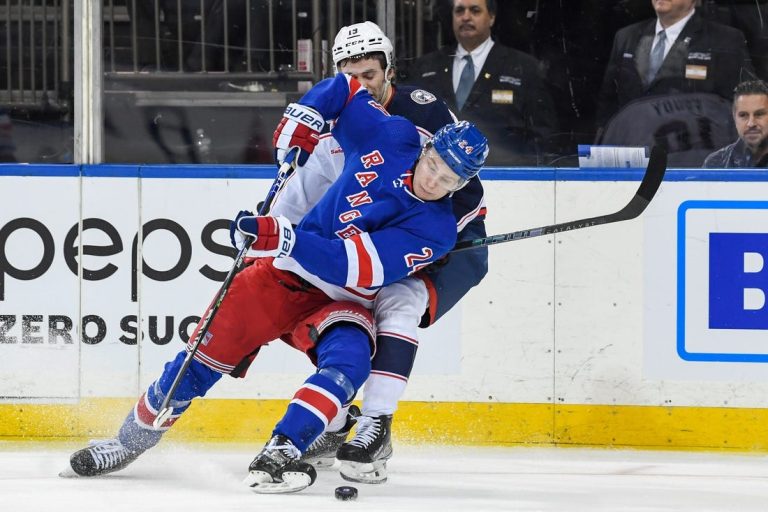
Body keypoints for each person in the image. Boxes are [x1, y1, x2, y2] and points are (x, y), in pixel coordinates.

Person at [65, 70, 489, 494]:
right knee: (198, 364)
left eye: (448, 179)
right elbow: (346, 88)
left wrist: (284, 237)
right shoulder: (393, 136)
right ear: (426, 148)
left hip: (343, 300)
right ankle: (128, 442)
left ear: (462, 184)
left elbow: (352, 267)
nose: (433, 181)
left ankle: (280, 450)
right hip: (280, 279)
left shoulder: (436, 230)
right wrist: (303, 118)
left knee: (350, 364)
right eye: (434, 165)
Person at [269, 21, 489, 484]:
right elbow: (312, 188)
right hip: (372, 238)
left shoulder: (422, 112)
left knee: (399, 302)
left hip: (446, 245)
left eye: (370, 74)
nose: (362, 85)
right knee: (335, 313)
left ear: (389, 70)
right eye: (351, 76)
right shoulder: (337, 117)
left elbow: (463, 191)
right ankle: (336, 425)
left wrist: (424, 243)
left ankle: (376, 425)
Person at [404, 0, 559, 166]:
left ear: (491, 17)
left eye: (475, 10)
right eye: (459, 11)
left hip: (505, 175)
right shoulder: (426, 67)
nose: (466, 17)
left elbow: (542, 136)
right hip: (437, 175)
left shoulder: (523, 67)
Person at [595, 0, 754, 129]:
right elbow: (608, 103)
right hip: (632, 146)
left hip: (691, 150)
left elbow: (743, 103)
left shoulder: (725, 40)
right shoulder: (626, 37)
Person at [703, 80, 768, 168]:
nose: (751, 123)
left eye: (759, 114)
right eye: (743, 115)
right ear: (734, 118)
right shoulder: (716, 163)